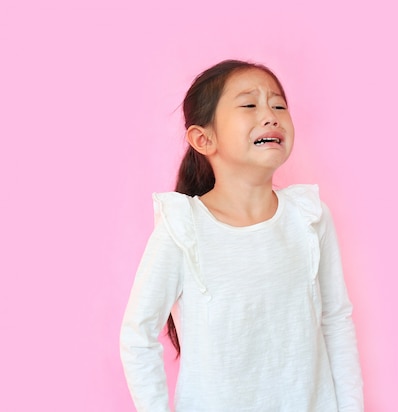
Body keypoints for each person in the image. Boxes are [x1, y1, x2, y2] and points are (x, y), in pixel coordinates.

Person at [119, 59, 363, 411]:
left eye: (278, 104)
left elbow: (336, 321)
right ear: (204, 139)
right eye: (249, 104)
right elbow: (137, 336)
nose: (271, 114)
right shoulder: (183, 228)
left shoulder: (309, 218)